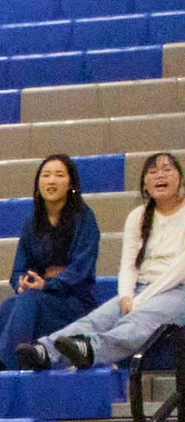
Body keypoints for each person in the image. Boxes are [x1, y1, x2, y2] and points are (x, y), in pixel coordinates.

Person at [27, 152, 185, 372]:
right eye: (153, 172)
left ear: (181, 179)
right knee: (96, 319)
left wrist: (139, 301)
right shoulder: (137, 216)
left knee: (136, 321)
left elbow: (179, 270)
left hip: (178, 291)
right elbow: (129, 265)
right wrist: (126, 295)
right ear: (144, 184)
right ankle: (46, 350)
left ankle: (90, 349)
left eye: (167, 170)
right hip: (141, 288)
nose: (160, 175)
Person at [0, 156, 97, 374]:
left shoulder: (85, 219)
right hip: (39, 298)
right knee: (11, 302)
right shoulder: (32, 223)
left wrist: (47, 284)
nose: (51, 181)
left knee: (28, 300)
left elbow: (80, 270)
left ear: (71, 183)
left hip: (73, 302)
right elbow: (19, 269)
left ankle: (1, 362)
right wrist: (22, 282)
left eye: (59, 175)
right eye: (45, 175)